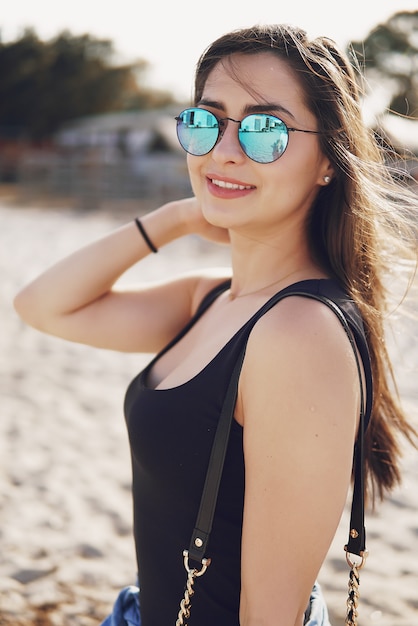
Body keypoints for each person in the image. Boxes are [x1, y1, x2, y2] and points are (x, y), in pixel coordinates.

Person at [14, 23, 417, 626]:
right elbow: (43, 306)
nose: (224, 150)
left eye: (265, 129)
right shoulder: (213, 298)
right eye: (206, 122)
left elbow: (270, 616)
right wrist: (178, 217)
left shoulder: (298, 335)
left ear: (329, 162)